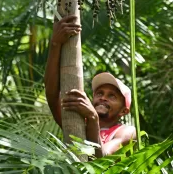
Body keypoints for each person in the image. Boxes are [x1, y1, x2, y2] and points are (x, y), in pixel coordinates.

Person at [45, 15, 136, 157]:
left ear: (124, 111)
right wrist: (55, 44)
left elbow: (102, 159)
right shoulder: (79, 122)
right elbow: (52, 96)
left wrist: (93, 118)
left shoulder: (126, 132)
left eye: (112, 96)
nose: (103, 98)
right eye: (100, 93)